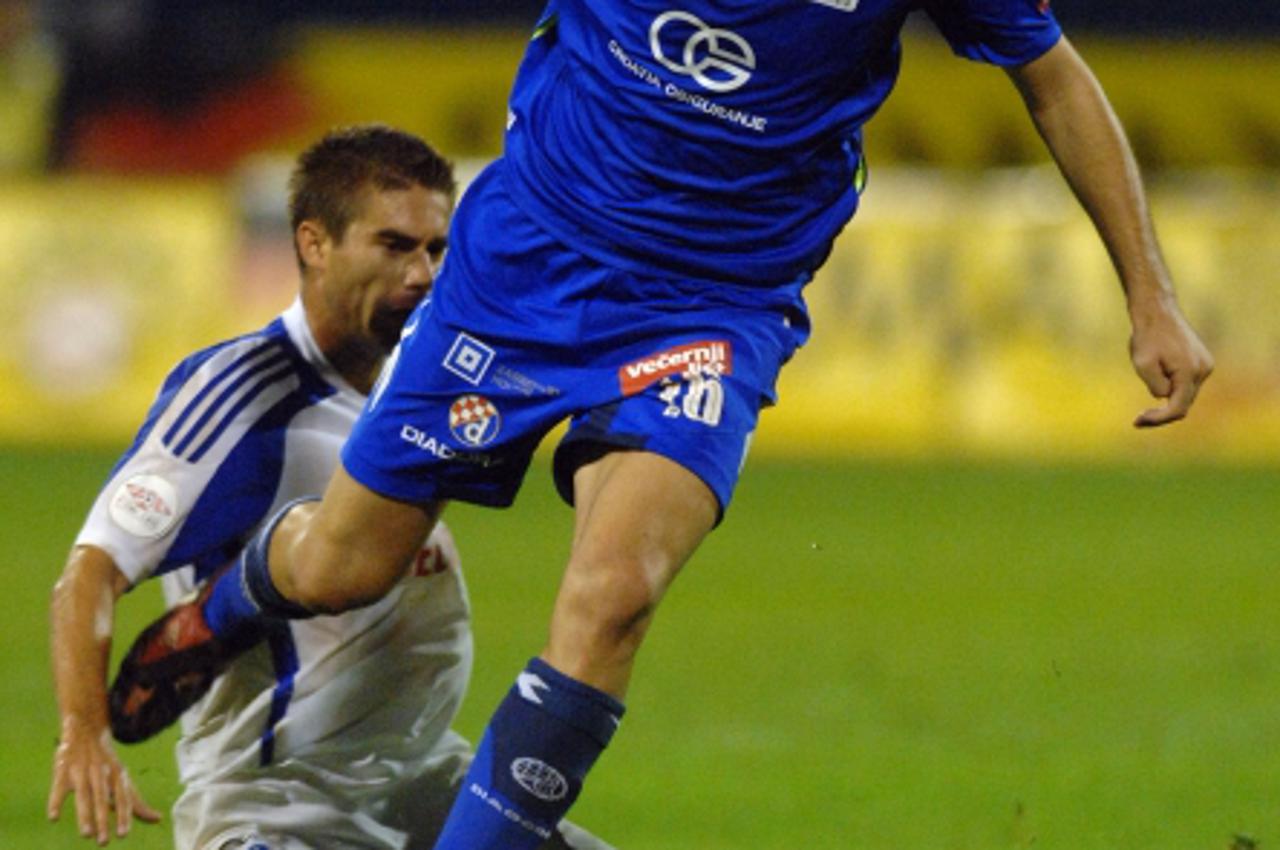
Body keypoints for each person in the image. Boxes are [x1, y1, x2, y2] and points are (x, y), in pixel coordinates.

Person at [111, 2, 1215, 848]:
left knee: (614, 594)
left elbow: (1051, 77)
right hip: (521, 268)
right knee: (347, 563)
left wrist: (1149, 294)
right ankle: (234, 598)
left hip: (708, 306)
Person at [47, 124, 612, 850]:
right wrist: (82, 731)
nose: (422, 274)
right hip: (284, 806)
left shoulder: (410, 383)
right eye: (394, 246)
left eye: (436, 249)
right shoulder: (245, 393)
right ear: (314, 244)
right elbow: (91, 570)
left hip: (424, 782)